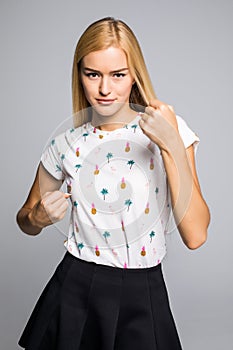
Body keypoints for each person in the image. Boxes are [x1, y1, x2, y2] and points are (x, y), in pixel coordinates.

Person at [17, 17, 210, 350]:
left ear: (134, 74)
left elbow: (196, 235)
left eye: (118, 75)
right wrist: (37, 218)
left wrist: (171, 146)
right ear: (79, 75)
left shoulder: (170, 128)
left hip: (143, 288)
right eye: (93, 74)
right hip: (75, 285)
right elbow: (25, 220)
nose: (105, 89)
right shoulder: (66, 143)